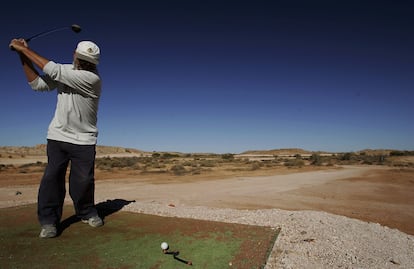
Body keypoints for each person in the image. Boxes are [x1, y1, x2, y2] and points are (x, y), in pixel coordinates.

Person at [9, 38, 103, 238]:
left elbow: (53, 70)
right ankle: (49, 221)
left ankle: (86, 212)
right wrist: (21, 55)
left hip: (84, 139)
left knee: (83, 181)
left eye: (89, 62)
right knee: (52, 179)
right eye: (83, 59)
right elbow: (38, 85)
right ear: (75, 55)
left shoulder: (92, 79)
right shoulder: (66, 71)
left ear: (93, 64)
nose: (85, 64)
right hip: (58, 136)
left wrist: (24, 49)